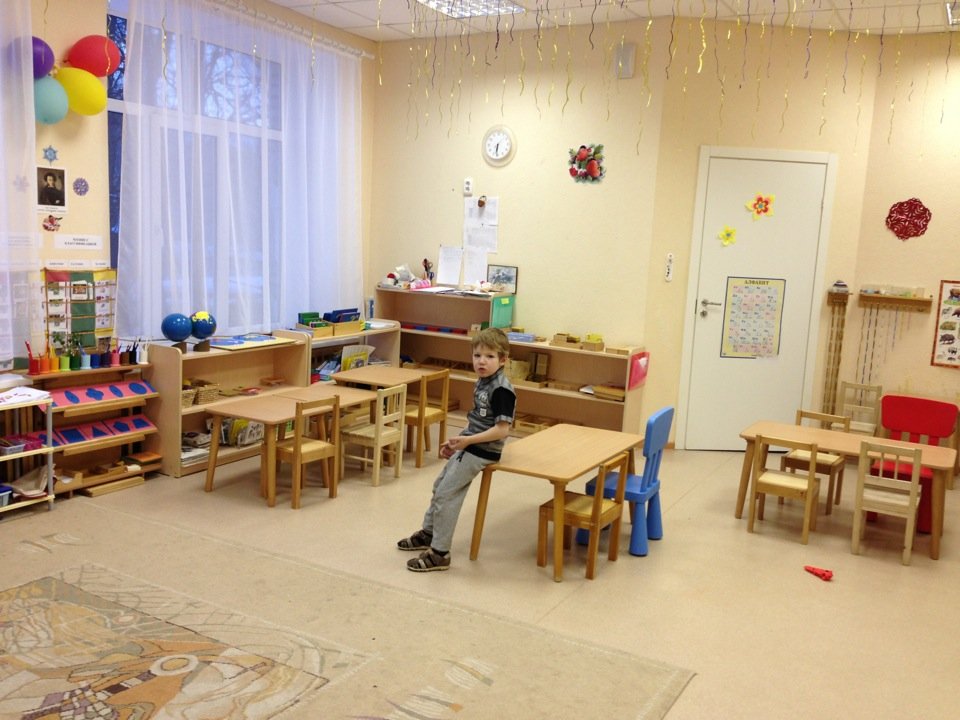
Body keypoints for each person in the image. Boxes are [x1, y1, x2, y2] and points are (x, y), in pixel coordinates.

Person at [398, 327, 516, 572]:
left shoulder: (501, 389)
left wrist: (467, 442)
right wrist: (458, 440)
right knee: (440, 486)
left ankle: (440, 553)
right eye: (477, 355)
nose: (481, 361)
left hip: (482, 450)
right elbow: (477, 421)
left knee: (447, 494)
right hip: (471, 444)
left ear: (503, 360)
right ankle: (429, 533)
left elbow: (502, 430)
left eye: (490, 356)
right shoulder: (483, 382)